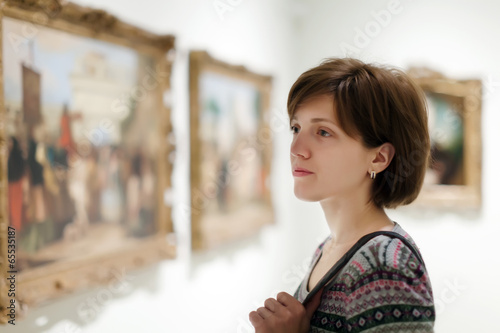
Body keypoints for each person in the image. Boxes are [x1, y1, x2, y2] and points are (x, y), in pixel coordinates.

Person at [249, 58, 435, 332]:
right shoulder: (328, 248)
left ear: (379, 158)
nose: (297, 148)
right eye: (296, 128)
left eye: (323, 132)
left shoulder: (385, 266)